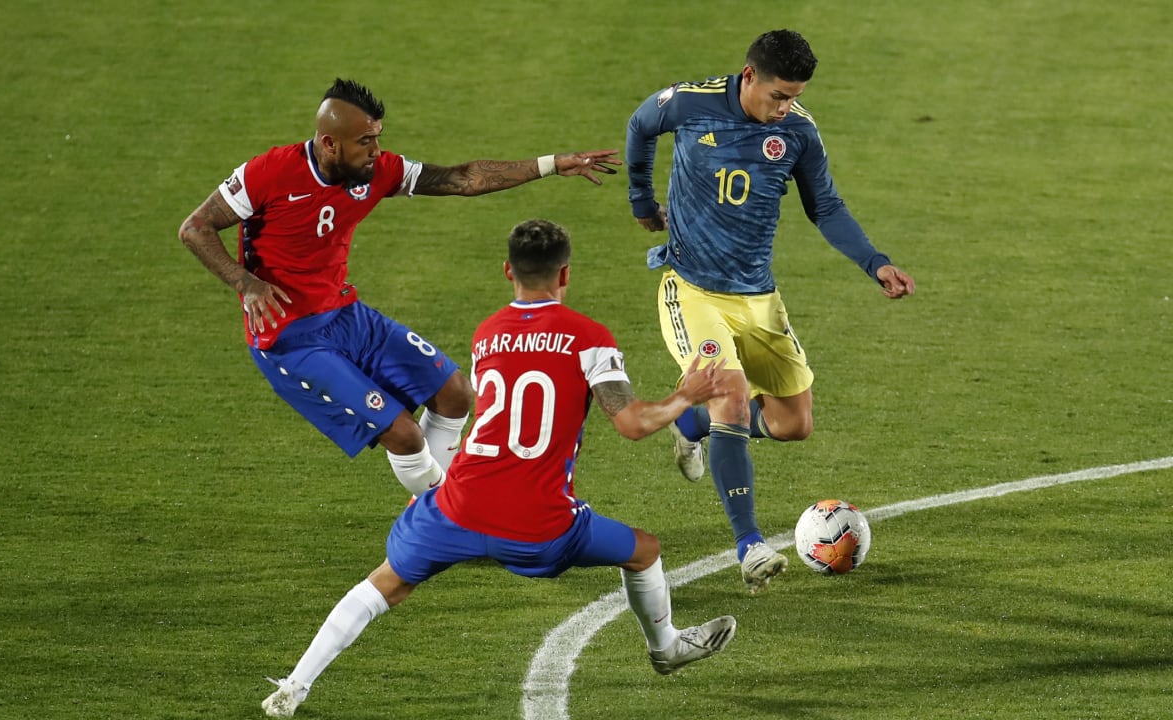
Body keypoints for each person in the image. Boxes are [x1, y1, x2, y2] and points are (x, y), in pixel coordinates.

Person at [260, 219, 737, 718]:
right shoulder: (589, 338)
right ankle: (666, 648)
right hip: (541, 524)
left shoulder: (488, 333)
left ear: (508, 270)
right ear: (565, 274)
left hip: (458, 506)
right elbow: (633, 424)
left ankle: (295, 685)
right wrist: (686, 396)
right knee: (644, 551)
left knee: (385, 584)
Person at [179, 78, 621, 497]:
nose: (377, 151)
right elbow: (195, 228)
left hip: (345, 315)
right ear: (330, 143)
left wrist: (551, 164)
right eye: (365, 141)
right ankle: (447, 516)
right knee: (405, 436)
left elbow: (463, 179)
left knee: (455, 394)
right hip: (289, 337)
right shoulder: (268, 172)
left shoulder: (377, 171)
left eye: (377, 138)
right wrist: (246, 283)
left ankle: (434, 510)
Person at [625, 30, 916, 593]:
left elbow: (825, 205)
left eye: (794, 97)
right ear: (749, 76)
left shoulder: (798, 132)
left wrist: (875, 263)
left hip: (758, 297)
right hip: (692, 289)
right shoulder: (690, 103)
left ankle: (691, 423)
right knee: (732, 396)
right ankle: (750, 545)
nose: (784, 108)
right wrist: (641, 201)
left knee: (792, 424)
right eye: (778, 95)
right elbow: (641, 125)